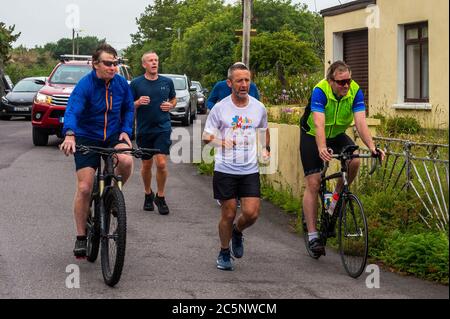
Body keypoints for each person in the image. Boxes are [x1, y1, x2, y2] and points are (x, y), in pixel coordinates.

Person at [299, 60, 385, 257]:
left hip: (337, 133)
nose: (346, 85)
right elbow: (319, 124)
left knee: (354, 160)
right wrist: (321, 148)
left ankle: (334, 198)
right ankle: (313, 235)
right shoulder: (320, 91)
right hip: (312, 134)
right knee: (314, 182)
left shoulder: (355, 91)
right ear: (331, 81)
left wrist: (372, 147)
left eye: (348, 80)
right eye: (341, 82)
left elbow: (361, 123)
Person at [60, 44, 134, 258]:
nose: (113, 67)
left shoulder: (121, 84)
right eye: (108, 63)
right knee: (84, 187)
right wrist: (70, 133)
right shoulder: (85, 85)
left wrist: (125, 131)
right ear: (95, 64)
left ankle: (112, 197)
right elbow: (73, 109)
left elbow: (128, 108)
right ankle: (81, 237)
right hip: (86, 135)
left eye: (116, 63)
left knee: (127, 162)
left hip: (113, 135)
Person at [203, 62, 270, 271]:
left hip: (249, 169)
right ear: (229, 83)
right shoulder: (220, 108)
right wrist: (222, 142)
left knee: (251, 214)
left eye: (247, 80)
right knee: (229, 213)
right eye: (239, 80)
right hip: (225, 169)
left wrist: (265, 148)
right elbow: (206, 137)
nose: (244, 84)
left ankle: (237, 232)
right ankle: (224, 252)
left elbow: (263, 130)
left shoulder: (258, 108)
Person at [130, 51, 176, 215]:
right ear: (144, 64)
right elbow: (127, 106)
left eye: (156, 60)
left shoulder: (167, 82)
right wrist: (137, 102)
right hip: (144, 129)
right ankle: (148, 193)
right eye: (150, 60)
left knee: (162, 163)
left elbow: (173, 99)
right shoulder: (136, 84)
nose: (154, 63)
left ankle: (161, 197)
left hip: (162, 128)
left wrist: (170, 105)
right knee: (146, 165)